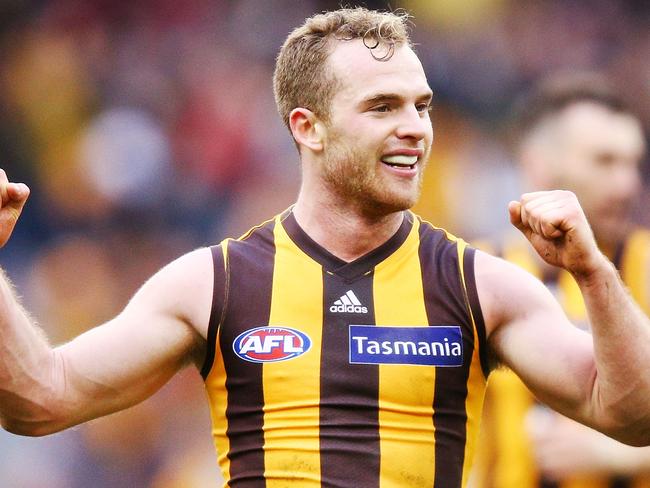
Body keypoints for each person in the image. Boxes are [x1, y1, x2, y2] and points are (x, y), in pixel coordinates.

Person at [1, 7, 650, 488]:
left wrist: (592, 273)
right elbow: (40, 400)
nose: (416, 130)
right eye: (383, 107)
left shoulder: (479, 283)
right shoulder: (213, 283)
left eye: (421, 107)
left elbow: (630, 415)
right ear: (307, 128)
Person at [471, 75, 650, 488]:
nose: (628, 184)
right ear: (538, 164)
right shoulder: (475, 273)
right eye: (604, 161)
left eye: (633, 163)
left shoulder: (644, 265)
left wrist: (622, 451)